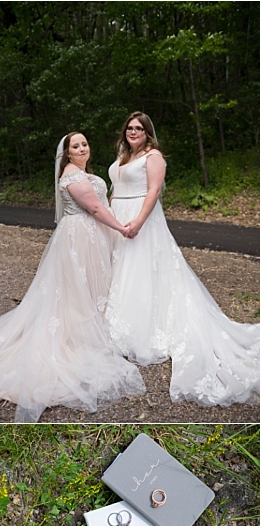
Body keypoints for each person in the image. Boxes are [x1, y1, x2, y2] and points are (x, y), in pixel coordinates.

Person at [0, 133, 145, 423]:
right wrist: (120, 227)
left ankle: (99, 325)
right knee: (78, 289)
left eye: (85, 144)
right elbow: (94, 208)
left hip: (89, 234)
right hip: (80, 235)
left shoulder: (82, 172)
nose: (82, 149)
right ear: (67, 153)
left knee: (91, 287)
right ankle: (80, 334)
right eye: (76, 146)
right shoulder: (72, 175)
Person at [104, 112, 260, 406]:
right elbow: (115, 191)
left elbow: (153, 191)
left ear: (148, 133)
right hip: (118, 217)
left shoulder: (154, 156)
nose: (133, 132)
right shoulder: (123, 156)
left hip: (143, 220)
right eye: (129, 128)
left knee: (142, 271)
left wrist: (137, 221)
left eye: (139, 128)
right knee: (120, 270)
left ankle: (147, 326)